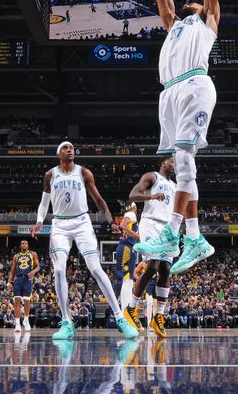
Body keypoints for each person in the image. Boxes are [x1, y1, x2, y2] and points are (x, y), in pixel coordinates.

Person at [134, 0, 217, 275]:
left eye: (195, 2)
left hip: (195, 85)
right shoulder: (174, 26)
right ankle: (195, 238)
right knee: (184, 164)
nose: (189, 2)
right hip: (170, 93)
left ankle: (173, 233)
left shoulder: (209, 21)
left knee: (184, 160)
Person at [30, 141, 138, 340]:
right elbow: (44, 203)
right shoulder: (50, 175)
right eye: (65, 147)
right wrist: (38, 221)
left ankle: (120, 318)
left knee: (96, 269)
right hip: (60, 226)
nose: (69, 149)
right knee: (60, 269)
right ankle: (66, 322)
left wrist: (110, 221)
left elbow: (98, 200)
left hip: (82, 222)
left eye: (71, 147)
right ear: (58, 154)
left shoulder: (84, 172)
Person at [122, 156, 177, 338]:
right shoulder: (152, 176)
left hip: (167, 228)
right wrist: (151, 196)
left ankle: (158, 316)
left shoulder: (175, 186)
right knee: (153, 265)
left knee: (166, 269)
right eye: (172, 162)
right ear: (163, 163)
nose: (174, 165)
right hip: (150, 223)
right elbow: (132, 195)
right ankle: (131, 309)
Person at [7, 240, 39, 333]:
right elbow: (12, 271)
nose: (24, 244)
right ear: (20, 246)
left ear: (28, 245)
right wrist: (9, 282)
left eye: (26, 243)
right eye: (22, 243)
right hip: (18, 279)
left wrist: (33, 271)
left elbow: (38, 266)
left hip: (27, 279)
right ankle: (17, 324)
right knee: (17, 301)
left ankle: (26, 319)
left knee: (27, 301)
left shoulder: (33, 254)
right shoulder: (16, 256)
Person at [115, 203, 140, 312]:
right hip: (126, 247)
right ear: (134, 208)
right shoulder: (131, 214)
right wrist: (138, 236)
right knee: (126, 279)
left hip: (128, 248)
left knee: (128, 279)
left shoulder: (130, 216)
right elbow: (123, 225)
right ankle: (125, 309)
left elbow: (123, 227)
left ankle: (125, 309)